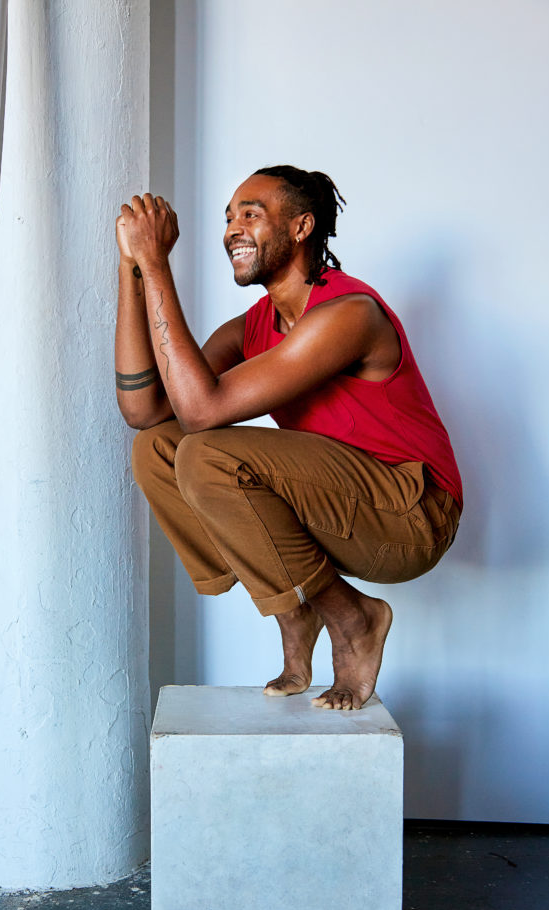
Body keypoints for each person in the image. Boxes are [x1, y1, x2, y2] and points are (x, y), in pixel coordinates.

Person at [114, 165, 462, 710]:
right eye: (229, 217)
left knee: (207, 452)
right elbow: (146, 410)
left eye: (251, 214)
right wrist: (132, 267)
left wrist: (158, 263)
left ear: (302, 227)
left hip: (413, 514)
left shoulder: (348, 314)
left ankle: (354, 619)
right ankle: (294, 607)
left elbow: (203, 411)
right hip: (343, 508)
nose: (232, 228)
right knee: (157, 449)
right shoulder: (255, 326)